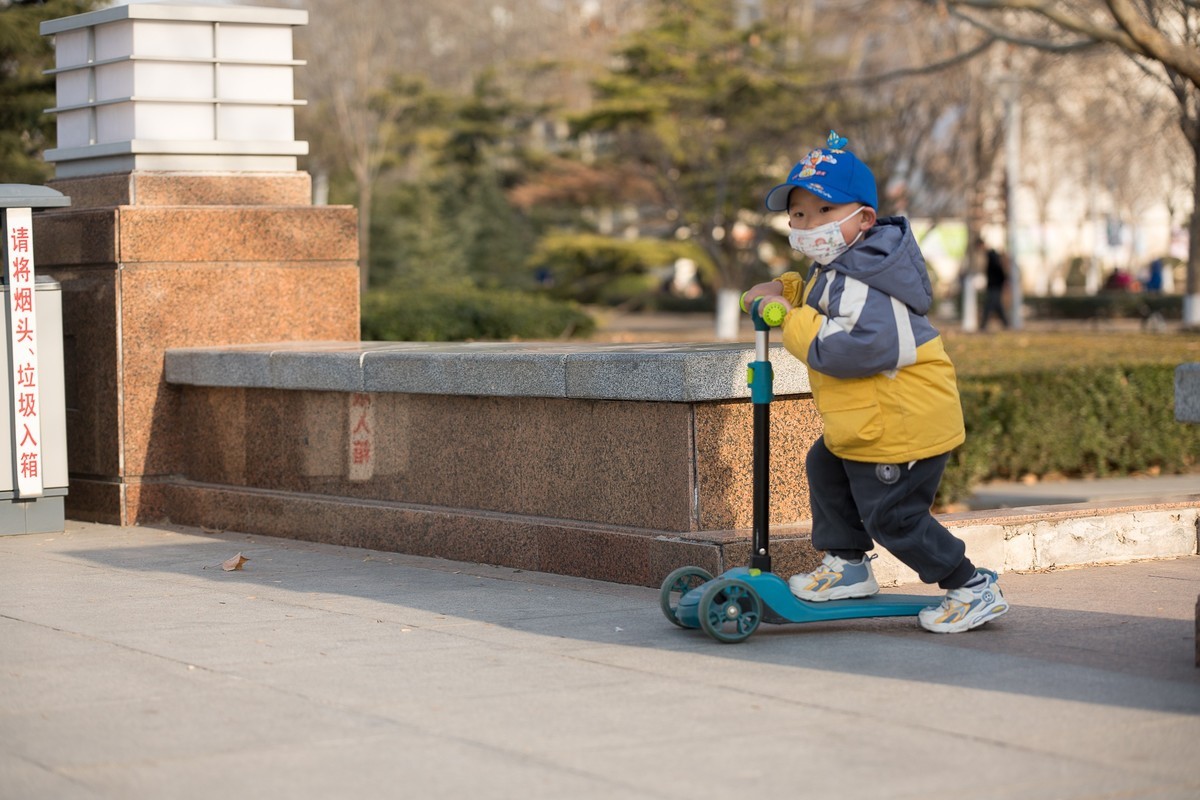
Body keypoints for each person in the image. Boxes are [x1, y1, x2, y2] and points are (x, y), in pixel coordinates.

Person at [741, 130, 1009, 633]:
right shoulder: (842, 265)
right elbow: (824, 297)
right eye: (798, 214)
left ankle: (972, 587)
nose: (805, 224)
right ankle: (849, 565)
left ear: (863, 218)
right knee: (824, 464)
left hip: (903, 425)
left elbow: (850, 348)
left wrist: (786, 318)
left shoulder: (869, 281)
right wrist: (784, 288)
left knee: (894, 518)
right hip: (871, 423)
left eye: (822, 211)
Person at [978, 238, 1008, 330]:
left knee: (990, 305)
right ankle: (1006, 323)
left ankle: (983, 325)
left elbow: (998, 270)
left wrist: (1001, 281)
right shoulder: (991, 255)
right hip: (994, 285)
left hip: (994, 285)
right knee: (996, 305)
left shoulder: (992, 255)